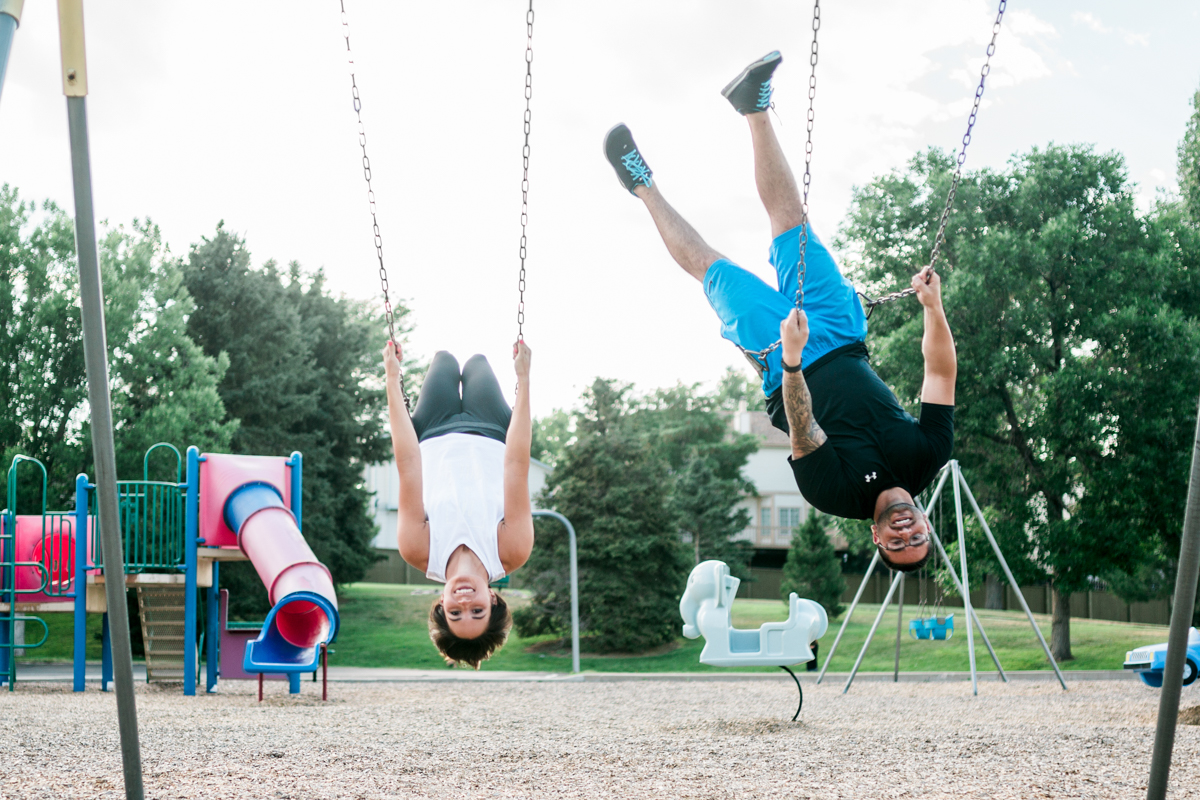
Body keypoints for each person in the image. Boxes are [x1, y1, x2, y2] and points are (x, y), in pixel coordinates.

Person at [602, 51, 955, 572]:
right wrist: (933, 307)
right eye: (918, 539)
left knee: (712, 269)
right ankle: (754, 107)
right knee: (792, 223)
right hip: (841, 331)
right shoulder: (929, 457)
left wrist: (791, 360)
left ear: (878, 541)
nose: (906, 534)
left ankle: (639, 184)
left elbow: (802, 425)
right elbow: (940, 373)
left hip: (783, 362)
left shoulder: (833, 497)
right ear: (927, 525)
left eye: (899, 545)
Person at [383, 340, 534, 666]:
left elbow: (408, 463)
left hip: (433, 428)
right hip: (492, 428)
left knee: (444, 359)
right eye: (476, 611)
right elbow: (517, 465)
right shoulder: (512, 550)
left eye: (455, 612)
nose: (464, 601)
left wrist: (391, 380)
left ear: (441, 604)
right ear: (493, 601)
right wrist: (524, 381)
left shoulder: (417, 549)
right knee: (478, 360)